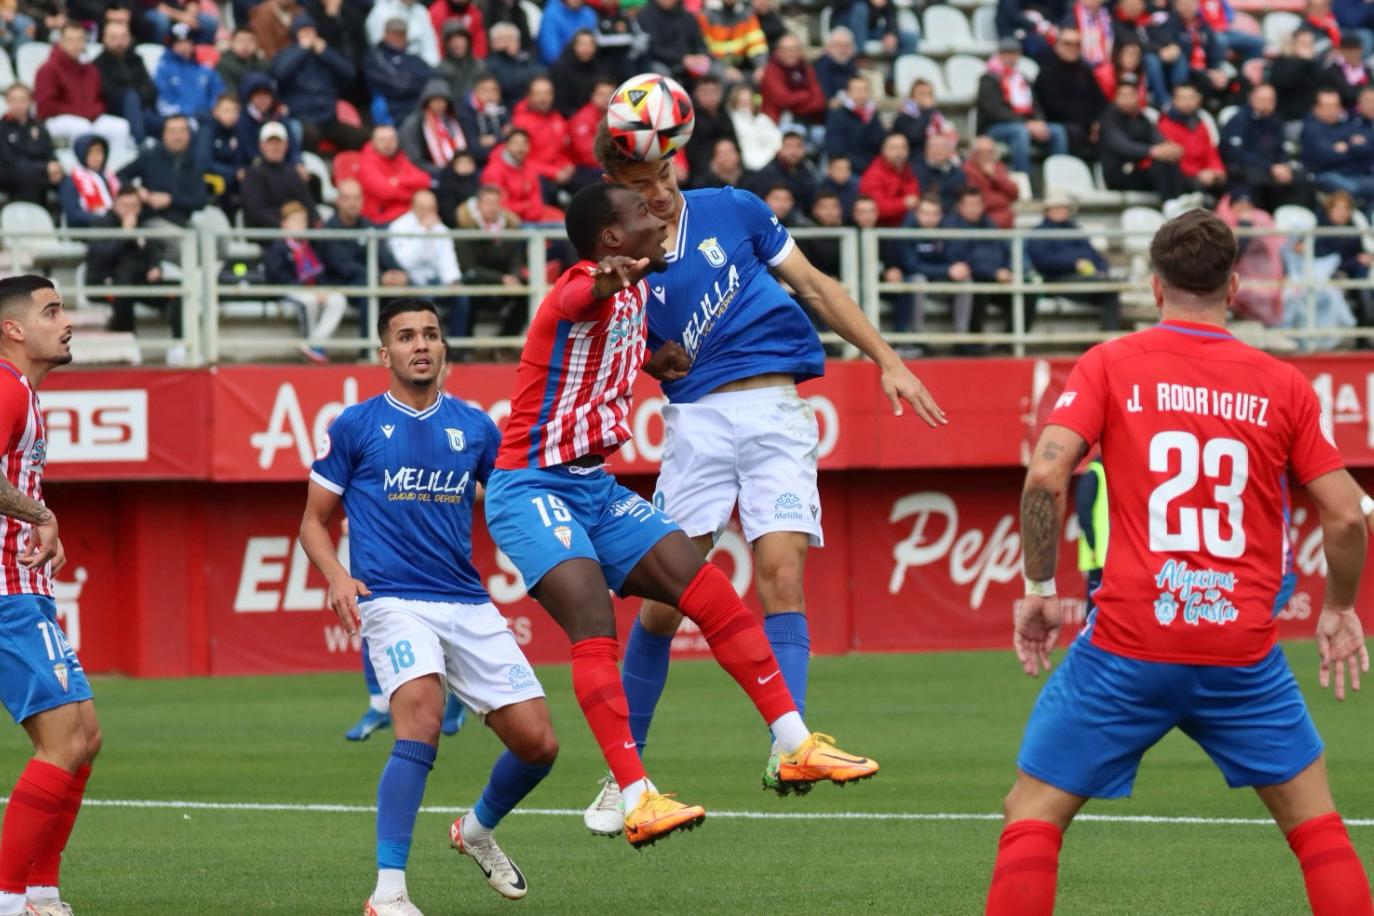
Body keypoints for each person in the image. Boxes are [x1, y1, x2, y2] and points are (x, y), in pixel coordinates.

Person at [986, 208, 1374, 916]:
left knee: (1032, 813)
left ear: (1155, 287)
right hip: (1239, 649)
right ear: (1234, 286)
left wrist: (1039, 586)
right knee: (1316, 826)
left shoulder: (1110, 362)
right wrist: (1340, 608)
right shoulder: (1283, 384)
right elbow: (1347, 513)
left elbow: (1046, 477)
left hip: (1130, 640)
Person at [489, 182, 886, 846]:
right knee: (593, 619)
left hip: (591, 482)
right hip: (532, 483)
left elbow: (611, 343)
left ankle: (792, 741)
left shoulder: (644, 285)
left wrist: (654, 358)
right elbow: (575, 300)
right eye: (641, 212)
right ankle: (634, 792)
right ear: (612, 240)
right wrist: (601, 280)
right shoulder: (588, 281)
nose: (660, 211)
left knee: (710, 594)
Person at [585, 127, 944, 831]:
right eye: (637, 186)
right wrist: (650, 363)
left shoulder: (737, 208)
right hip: (696, 423)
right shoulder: (622, 251)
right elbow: (611, 346)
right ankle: (624, 776)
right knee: (663, 602)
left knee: (782, 573)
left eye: (658, 177)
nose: (653, 193)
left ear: (673, 163)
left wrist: (887, 359)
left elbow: (813, 284)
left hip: (777, 407)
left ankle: (792, 747)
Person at [301, 297, 557, 914]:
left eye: (432, 335)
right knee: (419, 714)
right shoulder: (356, 425)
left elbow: (514, 501)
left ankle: (475, 830)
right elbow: (313, 522)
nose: (421, 345)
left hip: (467, 601)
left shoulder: (476, 428)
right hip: (391, 598)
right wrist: (337, 575)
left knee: (538, 745)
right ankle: (388, 893)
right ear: (383, 353)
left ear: (445, 349)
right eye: (406, 336)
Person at [0, 275, 95, 916]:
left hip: (25, 587)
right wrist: (41, 515)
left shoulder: (26, 394)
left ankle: (40, 890)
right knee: (63, 739)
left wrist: (41, 522)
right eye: (51, 311)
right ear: (13, 329)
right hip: (4, 590)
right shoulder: (6, 387)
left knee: (84, 736)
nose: (66, 322)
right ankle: (8, 898)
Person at [86, 186, 182, 342]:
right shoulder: (101, 224)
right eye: (125, 206)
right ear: (115, 204)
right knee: (123, 291)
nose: (129, 211)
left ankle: (180, 345)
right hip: (108, 283)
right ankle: (128, 344)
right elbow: (100, 257)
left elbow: (153, 251)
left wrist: (155, 267)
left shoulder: (143, 224)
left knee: (178, 291)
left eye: (134, 206)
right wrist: (124, 235)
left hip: (139, 282)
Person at [271, 14, 369, 153]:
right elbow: (279, 74)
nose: (309, 35)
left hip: (328, 118)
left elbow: (349, 73)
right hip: (302, 117)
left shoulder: (324, 53)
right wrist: (302, 50)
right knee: (310, 135)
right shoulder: (286, 54)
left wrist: (326, 53)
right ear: (295, 34)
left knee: (362, 137)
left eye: (311, 31)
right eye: (304, 32)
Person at [1024, 192, 1121, 330]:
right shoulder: (1039, 232)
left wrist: (1102, 269)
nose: (1060, 210)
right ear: (1047, 210)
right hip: (1056, 280)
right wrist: (1074, 263)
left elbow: (1094, 255)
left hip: (1085, 279)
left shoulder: (1075, 230)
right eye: (1055, 207)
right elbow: (1042, 261)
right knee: (1109, 286)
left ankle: (1109, 339)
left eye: (1063, 207)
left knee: (1111, 289)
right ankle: (1108, 337)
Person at [34, 22, 132, 151]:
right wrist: (81, 112)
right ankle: (80, 170)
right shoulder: (48, 69)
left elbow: (99, 98)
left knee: (121, 127)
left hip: (87, 116)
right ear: (61, 42)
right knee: (82, 127)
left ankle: (113, 168)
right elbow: (45, 107)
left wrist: (93, 111)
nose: (76, 44)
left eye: (80, 39)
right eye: (70, 40)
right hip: (55, 120)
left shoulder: (90, 69)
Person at [977, 38, 1068, 175]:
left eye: (1014, 53)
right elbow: (995, 111)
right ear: (999, 55)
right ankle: (1023, 176)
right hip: (996, 127)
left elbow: (1036, 105)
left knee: (1058, 131)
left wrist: (1039, 122)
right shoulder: (988, 79)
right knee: (1020, 133)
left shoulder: (1022, 78)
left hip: (1026, 124)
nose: (1011, 57)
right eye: (1006, 53)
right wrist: (1027, 124)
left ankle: (1058, 176)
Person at [945, 186, 1021, 343]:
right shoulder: (951, 226)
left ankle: (1011, 342)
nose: (974, 209)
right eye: (969, 204)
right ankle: (974, 341)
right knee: (979, 289)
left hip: (996, 277)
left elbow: (1003, 250)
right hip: (974, 279)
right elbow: (964, 260)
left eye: (977, 204)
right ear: (960, 206)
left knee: (1027, 294)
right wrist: (993, 273)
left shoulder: (989, 224)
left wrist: (1007, 269)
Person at [388, 190, 469, 338]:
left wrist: (453, 281)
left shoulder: (441, 229)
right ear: (412, 208)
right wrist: (423, 231)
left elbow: (447, 259)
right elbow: (405, 262)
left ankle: (458, 349)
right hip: (409, 280)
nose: (427, 213)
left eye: (431, 209)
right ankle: (427, 346)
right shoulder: (399, 227)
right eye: (422, 208)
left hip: (435, 280)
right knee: (425, 300)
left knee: (461, 296)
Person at [1221, 83, 1312, 213]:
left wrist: (1283, 165)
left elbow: (1282, 149)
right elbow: (1236, 153)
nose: (1265, 103)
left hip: (1273, 169)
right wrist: (1269, 167)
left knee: (1303, 179)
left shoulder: (1276, 121)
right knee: (1253, 178)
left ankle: (1292, 222)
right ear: (1251, 98)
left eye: (1270, 100)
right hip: (1247, 170)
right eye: (1261, 99)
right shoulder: (1239, 120)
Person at [455, 184, 529, 339]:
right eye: (488, 202)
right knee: (466, 293)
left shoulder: (510, 230)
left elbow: (517, 260)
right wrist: (501, 278)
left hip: (504, 284)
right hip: (478, 283)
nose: (492, 207)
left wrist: (514, 276)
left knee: (526, 290)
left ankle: (505, 342)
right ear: (478, 205)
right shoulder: (465, 230)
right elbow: (469, 268)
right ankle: (465, 348)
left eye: (496, 203)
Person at [1099, 75, 1187, 202]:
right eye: (1123, 95)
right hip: (1119, 174)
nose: (1127, 99)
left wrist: (1169, 148)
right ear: (1115, 97)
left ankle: (1179, 201)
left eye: (1131, 95)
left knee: (1169, 159)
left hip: (1138, 170)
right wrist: (1153, 151)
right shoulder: (1109, 118)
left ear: (1137, 97)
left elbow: (1156, 137)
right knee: (1159, 162)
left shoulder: (1141, 118)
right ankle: (1170, 203)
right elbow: (1122, 146)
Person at [116, 114, 208, 228]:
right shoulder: (149, 156)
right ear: (164, 134)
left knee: (208, 235)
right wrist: (137, 190)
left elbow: (200, 201)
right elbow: (119, 176)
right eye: (172, 131)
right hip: (152, 219)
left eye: (182, 131)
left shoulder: (195, 162)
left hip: (184, 220)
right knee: (183, 240)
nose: (177, 136)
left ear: (189, 135)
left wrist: (171, 200)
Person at [1035, 27, 1107, 161]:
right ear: (1057, 46)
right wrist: (1089, 123)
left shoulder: (1085, 71)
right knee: (1074, 132)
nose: (1073, 48)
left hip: (1086, 124)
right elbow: (1055, 108)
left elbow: (1101, 101)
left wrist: (1097, 122)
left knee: (1108, 128)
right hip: (1060, 124)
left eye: (1077, 44)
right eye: (1067, 43)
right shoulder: (1047, 73)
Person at [1301, 87, 1374, 213]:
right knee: (1351, 188)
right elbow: (1326, 156)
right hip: (1326, 176)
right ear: (1316, 108)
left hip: (1356, 175)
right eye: (1327, 106)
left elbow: (1367, 148)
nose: (1332, 110)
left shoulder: (1348, 123)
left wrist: (1346, 147)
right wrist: (1352, 147)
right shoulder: (1312, 129)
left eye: (1335, 105)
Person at [94, 18, 159, 145]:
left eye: (124, 37)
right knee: (130, 96)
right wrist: (136, 95)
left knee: (171, 126)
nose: (120, 42)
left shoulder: (136, 60)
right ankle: (141, 145)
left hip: (141, 111)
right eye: (114, 37)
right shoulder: (99, 64)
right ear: (104, 39)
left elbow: (152, 90)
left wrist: (137, 97)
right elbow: (108, 94)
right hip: (115, 112)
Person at [241, 121, 317, 228]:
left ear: (286, 145)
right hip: (267, 237)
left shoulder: (293, 174)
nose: (275, 147)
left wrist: (306, 223)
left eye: (278, 142)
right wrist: (284, 225)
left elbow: (309, 205)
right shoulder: (253, 174)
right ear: (262, 145)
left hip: (299, 231)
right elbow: (255, 212)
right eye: (270, 143)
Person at [1157, 81, 1227, 197]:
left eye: (1191, 98)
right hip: (1183, 177)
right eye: (1183, 98)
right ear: (1174, 101)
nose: (1187, 102)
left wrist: (1216, 171)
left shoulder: (1201, 124)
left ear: (1197, 101)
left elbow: (1210, 151)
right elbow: (1173, 158)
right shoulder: (1165, 125)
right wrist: (1198, 174)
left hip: (1204, 174)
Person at [479, 129, 562, 224]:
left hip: (532, 217)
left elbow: (536, 200)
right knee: (558, 229)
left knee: (566, 222)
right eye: (516, 143)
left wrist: (531, 211)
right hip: (508, 222)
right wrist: (527, 206)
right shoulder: (494, 171)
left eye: (524, 143)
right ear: (506, 145)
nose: (520, 148)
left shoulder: (529, 168)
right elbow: (500, 206)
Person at [0, 84, 62, 208]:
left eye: (22, 100)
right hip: (9, 174)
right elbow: (11, 161)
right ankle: (30, 222)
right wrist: (45, 167)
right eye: (13, 100)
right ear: (7, 102)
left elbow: (50, 153)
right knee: (28, 176)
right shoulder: (2, 127)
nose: (18, 104)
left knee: (66, 179)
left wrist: (55, 168)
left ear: (30, 101)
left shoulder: (39, 126)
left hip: (38, 172)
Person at [366, 16, 435, 127]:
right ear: (385, 34)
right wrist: (416, 82)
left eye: (402, 34)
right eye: (395, 34)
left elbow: (433, 77)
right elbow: (400, 86)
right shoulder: (375, 57)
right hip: (392, 110)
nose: (398, 38)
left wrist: (411, 81)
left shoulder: (412, 58)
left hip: (417, 106)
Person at [399, 79, 476, 177]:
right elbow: (414, 159)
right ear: (427, 101)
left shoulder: (455, 120)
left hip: (462, 170)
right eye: (435, 100)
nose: (440, 104)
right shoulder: (415, 124)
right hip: (432, 174)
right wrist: (445, 172)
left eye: (443, 100)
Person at [359, 125, 433, 225]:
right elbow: (384, 191)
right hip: (380, 221)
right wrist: (413, 194)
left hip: (408, 215)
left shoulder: (400, 158)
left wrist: (399, 181)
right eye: (382, 140)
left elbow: (425, 180)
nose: (388, 144)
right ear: (373, 142)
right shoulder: (366, 162)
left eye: (391, 139)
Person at [153, 22, 225, 126]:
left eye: (187, 41)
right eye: (179, 42)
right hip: (177, 120)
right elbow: (162, 99)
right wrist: (183, 116)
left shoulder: (204, 67)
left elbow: (218, 91)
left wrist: (212, 110)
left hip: (206, 118)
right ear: (172, 45)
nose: (184, 46)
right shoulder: (163, 68)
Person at [758, 33, 825, 130]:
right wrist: (806, 94)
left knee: (821, 133)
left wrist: (796, 108)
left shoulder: (806, 69)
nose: (791, 54)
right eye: (787, 50)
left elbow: (819, 100)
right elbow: (783, 100)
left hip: (809, 120)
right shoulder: (771, 71)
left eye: (795, 50)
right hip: (778, 122)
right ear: (778, 52)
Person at [637, 0, 711, 84]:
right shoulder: (645, 16)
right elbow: (653, 48)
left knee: (715, 71)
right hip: (659, 62)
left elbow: (700, 43)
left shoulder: (688, 16)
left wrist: (700, 55)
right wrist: (682, 59)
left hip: (688, 62)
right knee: (662, 75)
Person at [824, 73, 885, 175]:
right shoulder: (837, 116)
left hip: (874, 168)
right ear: (848, 93)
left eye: (865, 89)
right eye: (856, 90)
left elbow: (880, 144)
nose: (861, 93)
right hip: (849, 170)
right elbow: (836, 149)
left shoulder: (873, 115)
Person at [698, 0, 768, 84]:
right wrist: (724, 69)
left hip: (741, 66)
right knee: (725, 79)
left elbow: (757, 45)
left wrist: (760, 66)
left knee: (763, 77)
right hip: (715, 66)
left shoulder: (747, 15)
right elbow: (703, 50)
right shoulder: (706, 16)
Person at [858, 131, 918, 227]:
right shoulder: (874, 173)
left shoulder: (909, 171)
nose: (899, 152)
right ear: (883, 150)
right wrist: (903, 204)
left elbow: (914, 200)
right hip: (881, 228)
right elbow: (876, 208)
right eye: (894, 148)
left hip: (904, 225)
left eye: (904, 147)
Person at [891, 78, 958, 165]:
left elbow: (949, 135)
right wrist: (927, 110)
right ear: (912, 96)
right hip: (915, 160)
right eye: (922, 94)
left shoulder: (936, 116)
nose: (926, 98)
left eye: (929, 94)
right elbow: (915, 135)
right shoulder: (904, 116)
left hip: (936, 158)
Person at [58, 135, 118, 229]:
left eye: (99, 151)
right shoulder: (71, 181)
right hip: (88, 231)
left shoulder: (110, 177)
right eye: (91, 152)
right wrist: (104, 220)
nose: (96, 157)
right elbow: (73, 215)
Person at [682, 77, 735, 181]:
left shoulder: (725, 114)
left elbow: (735, 143)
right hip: (701, 173)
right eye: (705, 92)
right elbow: (692, 154)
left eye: (714, 92)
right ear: (696, 94)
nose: (711, 97)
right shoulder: (691, 118)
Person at [1074, 455, 1106, 614]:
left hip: (1109, 555)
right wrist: (1093, 544)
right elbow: (1083, 512)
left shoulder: (1105, 474)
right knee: (1094, 606)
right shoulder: (1094, 473)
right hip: (1098, 556)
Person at [727, 83, 782, 173]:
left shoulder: (763, 119)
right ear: (735, 103)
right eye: (742, 102)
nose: (746, 105)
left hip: (770, 163)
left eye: (748, 101)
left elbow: (777, 141)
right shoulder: (731, 121)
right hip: (745, 167)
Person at [367, 0, 441, 66]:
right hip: (391, 67)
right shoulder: (379, 11)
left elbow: (430, 46)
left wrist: (430, 67)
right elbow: (378, 48)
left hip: (420, 65)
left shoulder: (421, 11)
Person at [486, 22, 542, 107]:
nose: (507, 43)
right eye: (502, 39)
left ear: (519, 43)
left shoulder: (527, 59)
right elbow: (506, 84)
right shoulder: (488, 65)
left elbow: (541, 75)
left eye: (511, 39)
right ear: (493, 43)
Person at [434, 22, 487, 101]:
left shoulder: (480, 66)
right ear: (446, 44)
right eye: (452, 40)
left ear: (468, 41)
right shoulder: (440, 70)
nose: (457, 43)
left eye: (460, 38)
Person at [913, 133, 964, 213]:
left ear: (950, 151)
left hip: (952, 218)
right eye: (934, 146)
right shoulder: (916, 171)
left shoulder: (958, 173)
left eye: (943, 146)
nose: (939, 150)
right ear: (926, 150)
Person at [216, 26, 269, 97]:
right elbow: (230, 93)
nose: (246, 45)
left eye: (250, 41)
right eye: (241, 41)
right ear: (231, 43)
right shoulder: (223, 65)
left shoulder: (262, 63)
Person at [813, 26, 857, 101]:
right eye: (838, 45)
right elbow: (825, 98)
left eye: (847, 45)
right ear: (827, 47)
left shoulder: (852, 66)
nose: (843, 49)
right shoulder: (820, 67)